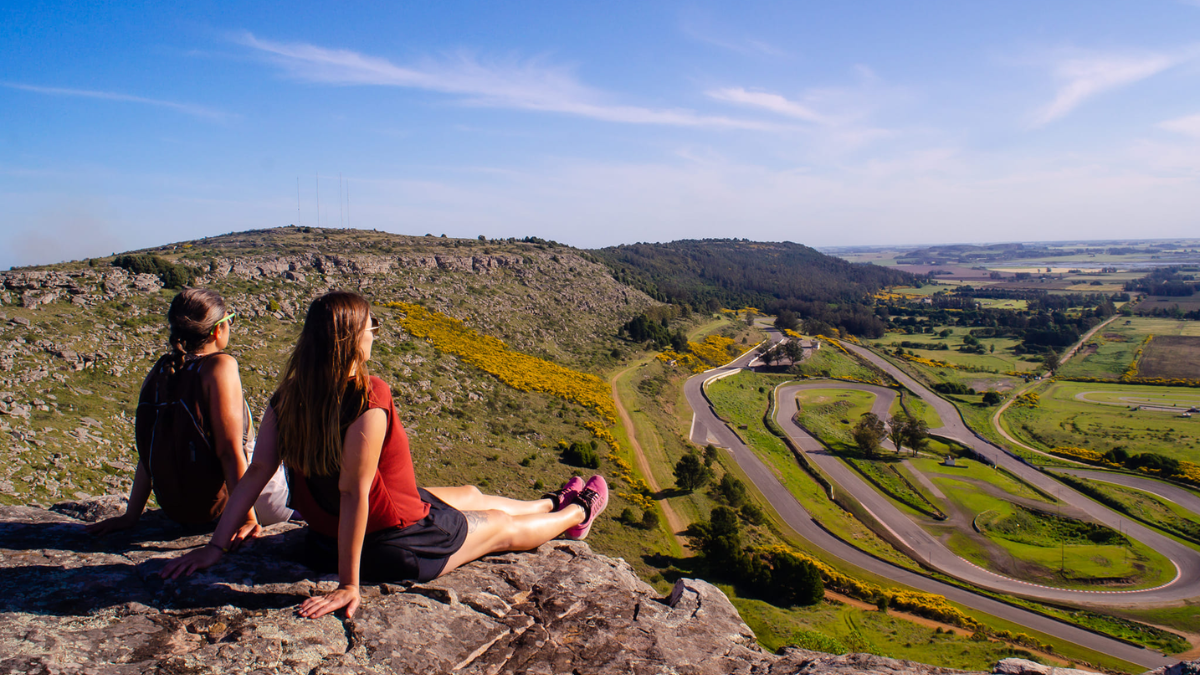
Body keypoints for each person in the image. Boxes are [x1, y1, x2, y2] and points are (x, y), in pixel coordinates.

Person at [162, 291, 607, 619]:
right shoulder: (368, 397)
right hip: (396, 546)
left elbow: (258, 472)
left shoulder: (287, 398)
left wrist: (215, 548)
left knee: (468, 491)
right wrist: (349, 585)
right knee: (502, 527)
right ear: (354, 338)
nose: (375, 335)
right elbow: (354, 493)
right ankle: (577, 514)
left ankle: (552, 501)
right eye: (372, 327)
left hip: (323, 541)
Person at [87, 287, 292, 540]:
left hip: (181, 510)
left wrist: (132, 516)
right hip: (247, 503)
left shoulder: (163, 369)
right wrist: (247, 518)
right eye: (230, 320)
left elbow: (149, 449)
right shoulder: (220, 366)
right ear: (218, 329)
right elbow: (230, 452)